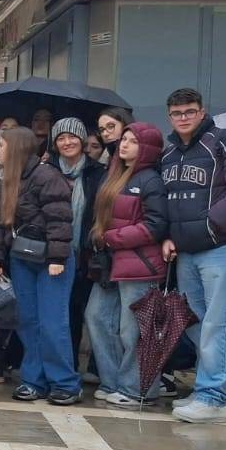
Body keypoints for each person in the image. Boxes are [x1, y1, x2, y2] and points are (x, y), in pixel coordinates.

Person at [160, 87, 226, 423]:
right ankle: (207, 388)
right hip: (188, 251)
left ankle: (214, 397)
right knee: (198, 322)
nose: (183, 118)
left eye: (189, 111)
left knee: (221, 322)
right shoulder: (169, 154)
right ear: (169, 116)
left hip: (224, 247)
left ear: (202, 111)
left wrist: (210, 225)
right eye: (177, 113)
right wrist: (169, 235)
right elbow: (167, 200)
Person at [0, 126, 78, 403]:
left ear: (16, 148)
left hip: (51, 260)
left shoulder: (47, 176)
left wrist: (57, 258)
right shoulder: (6, 181)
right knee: (27, 321)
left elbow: (60, 218)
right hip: (22, 257)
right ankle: (34, 381)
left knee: (53, 323)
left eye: (1, 145)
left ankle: (65, 383)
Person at [83, 122, 169, 407]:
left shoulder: (151, 180)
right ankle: (112, 382)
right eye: (124, 139)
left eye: (133, 141)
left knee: (135, 330)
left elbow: (155, 225)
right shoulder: (115, 175)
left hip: (140, 264)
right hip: (110, 264)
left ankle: (138, 389)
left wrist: (113, 238)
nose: (124, 144)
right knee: (97, 317)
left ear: (148, 148)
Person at [49, 117, 105, 371]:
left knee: (85, 313)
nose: (67, 142)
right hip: (55, 255)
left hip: (86, 254)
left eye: (72, 137)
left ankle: (86, 369)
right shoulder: (47, 170)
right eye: (61, 138)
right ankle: (65, 368)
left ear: (82, 140)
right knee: (61, 315)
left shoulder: (98, 172)